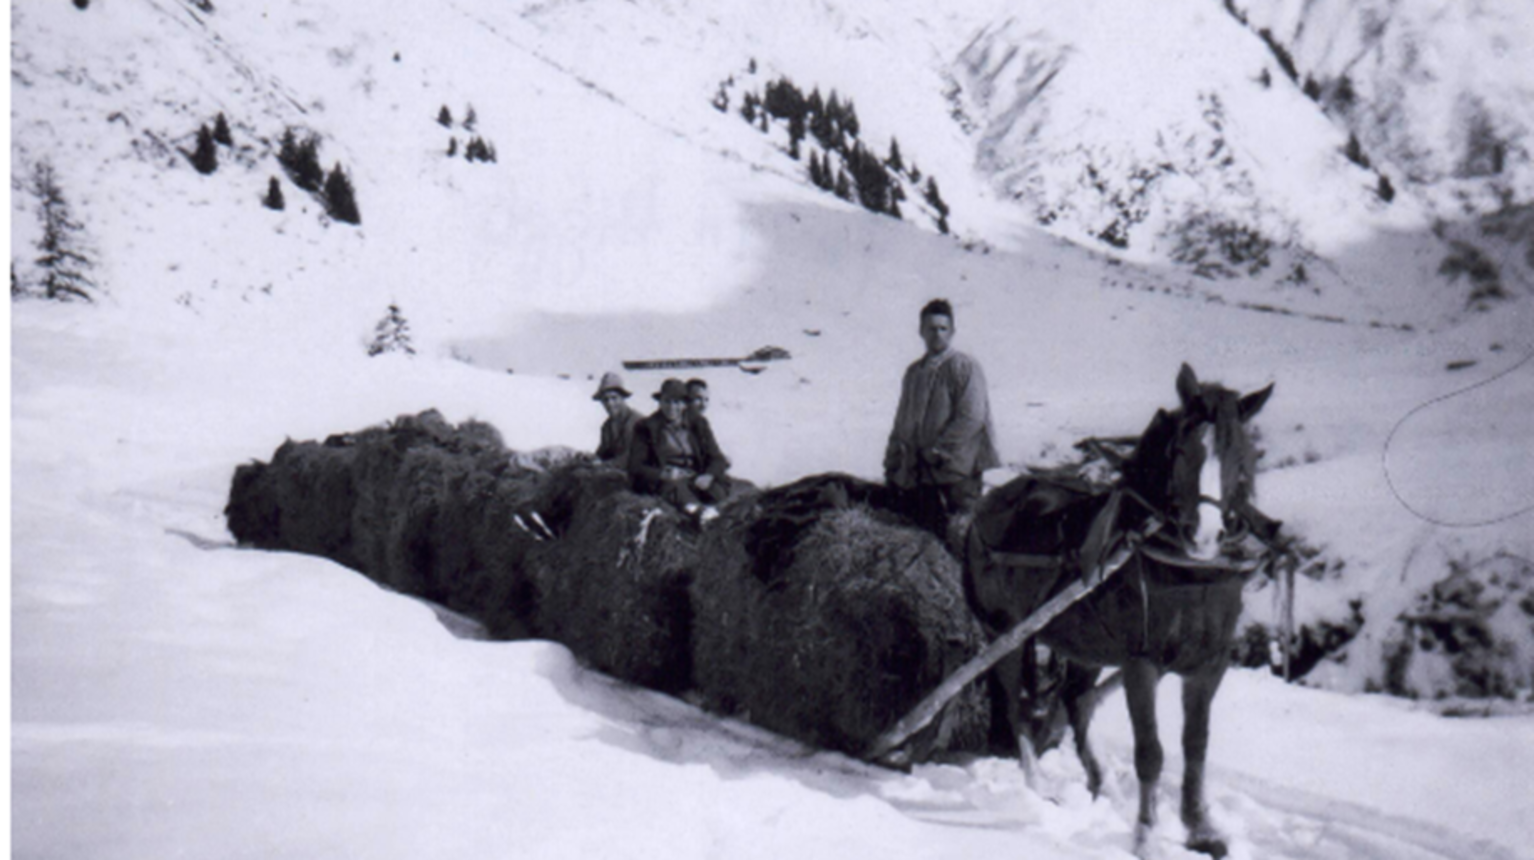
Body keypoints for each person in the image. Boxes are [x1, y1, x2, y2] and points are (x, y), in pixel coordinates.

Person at [884, 298, 1000, 545]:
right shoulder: (914, 372)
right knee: (925, 541)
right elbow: (902, 420)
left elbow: (972, 417)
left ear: (952, 331)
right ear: (921, 331)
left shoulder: (964, 367)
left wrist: (940, 450)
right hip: (919, 474)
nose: (937, 334)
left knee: (961, 541)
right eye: (931, 328)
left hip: (956, 474)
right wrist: (893, 459)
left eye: (943, 328)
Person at [628, 378, 731, 522]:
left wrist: (708, 476)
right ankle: (698, 513)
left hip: (695, 478)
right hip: (668, 482)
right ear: (660, 402)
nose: (671, 407)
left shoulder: (698, 424)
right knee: (676, 490)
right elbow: (635, 466)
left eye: (677, 402)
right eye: (667, 401)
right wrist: (664, 474)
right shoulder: (646, 427)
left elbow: (716, 457)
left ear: (684, 404)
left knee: (718, 492)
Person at [684, 378, 732, 479]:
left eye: (706, 400)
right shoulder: (675, 422)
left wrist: (709, 475)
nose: (704, 405)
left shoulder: (702, 423)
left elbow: (716, 455)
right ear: (686, 400)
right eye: (698, 399)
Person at [593, 371, 643, 465]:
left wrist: (603, 464)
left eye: (614, 398)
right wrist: (591, 458)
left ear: (622, 398)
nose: (610, 404)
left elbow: (631, 458)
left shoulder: (637, 422)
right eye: (605, 399)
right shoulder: (606, 427)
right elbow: (602, 453)